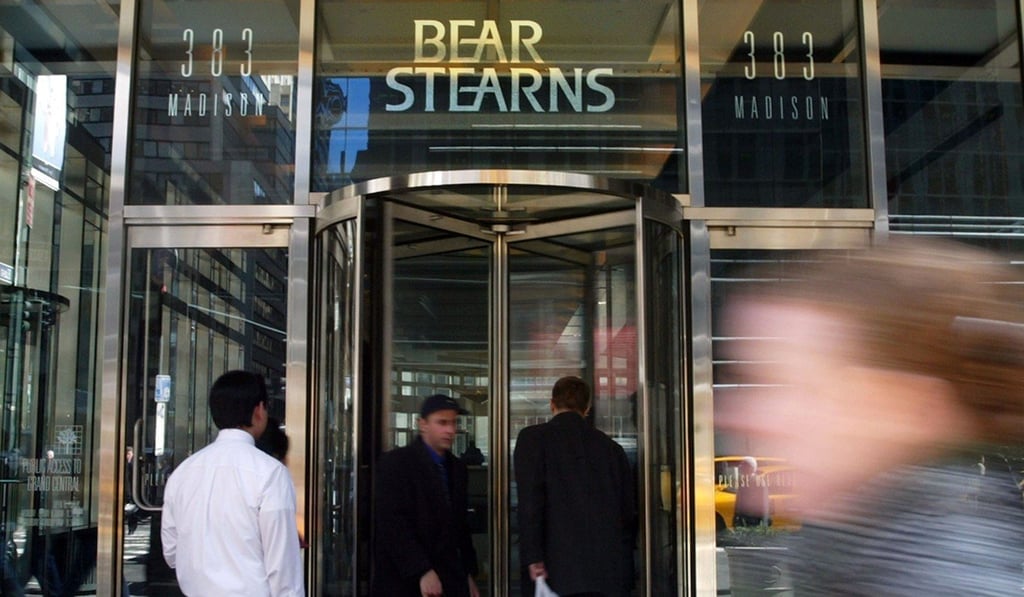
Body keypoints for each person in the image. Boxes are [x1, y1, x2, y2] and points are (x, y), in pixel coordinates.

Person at [721, 238, 1024, 594]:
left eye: (801, 386)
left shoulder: (941, 576)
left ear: (911, 408)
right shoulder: (854, 544)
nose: (742, 416)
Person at [161, 370, 304, 596]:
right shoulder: (270, 473)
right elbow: (283, 568)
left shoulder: (183, 472)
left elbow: (171, 553)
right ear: (258, 410)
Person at [514, 376, 636, 597]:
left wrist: (533, 556)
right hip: (606, 574)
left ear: (552, 404)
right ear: (587, 408)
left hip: (555, 569)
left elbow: (530, 502)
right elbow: (626, 514)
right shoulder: (612, 450)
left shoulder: (532, 440)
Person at [372, 394, 480, 597]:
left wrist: (467, 574)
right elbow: (393, 524)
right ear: (422, 424)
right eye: (442, 422)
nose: (450, 430)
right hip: (405, 582)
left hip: (448, 579)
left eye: (453, 422)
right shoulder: (396, 464)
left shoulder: (457, 468)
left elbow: (460, 528)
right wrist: (421, 570)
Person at [732, 456, 769, 528]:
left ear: (750, 468)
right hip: (743, 519)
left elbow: (764, 503)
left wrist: (764, 522)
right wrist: (735, 517)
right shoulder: (743, 481)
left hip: (755, 520)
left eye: (743, 465)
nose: (740, 467)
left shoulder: (759, 481)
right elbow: (739, 501)